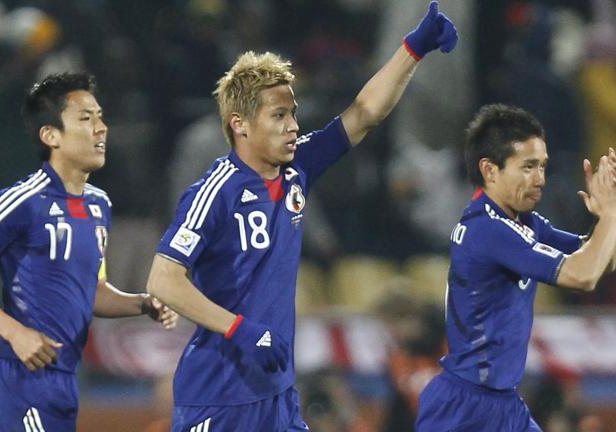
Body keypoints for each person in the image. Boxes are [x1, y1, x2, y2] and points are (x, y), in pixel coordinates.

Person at [145, 2, 458, 430]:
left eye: (292, 112)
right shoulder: (215, 192)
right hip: (220, 394)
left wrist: (413, 49)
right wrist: (239, 329)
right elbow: (162, 280)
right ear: (240, 124)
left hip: (276, 392)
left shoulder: (298, 170)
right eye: (279, 115)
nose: (293, 125)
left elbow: (364, 113)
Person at [0, 72, 178, 431]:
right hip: (23, 380)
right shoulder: (21, 201)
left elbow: (93, 292)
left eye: (100, 117)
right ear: (51, 135)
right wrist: (15, 332)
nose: (101, 128)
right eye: (85, 118)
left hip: (64, 381)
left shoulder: (99, 205)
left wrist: (143, 303)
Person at [415, 104, 616, 432]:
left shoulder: (525, 223)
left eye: (542, 166)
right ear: (490, 170)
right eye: (528, 167)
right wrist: (610, 216)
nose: (540, 179)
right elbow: (582, 275)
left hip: (505, 405)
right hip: (464, 409)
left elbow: (602, 261)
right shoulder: (487, 230)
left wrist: (608, 215)